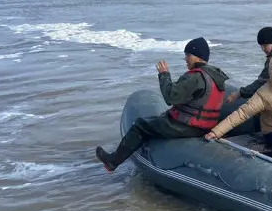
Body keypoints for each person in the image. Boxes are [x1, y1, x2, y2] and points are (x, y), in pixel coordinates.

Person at [95, 37, 228, 172]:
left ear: (197, 56)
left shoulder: (195, 77)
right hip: (206, 127)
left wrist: (164, 74)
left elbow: (170, 97)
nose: (185, 59)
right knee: (160, 118)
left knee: (140, 125)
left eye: (188, 55)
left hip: (188, 127)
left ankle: (113, 162)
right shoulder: (215, 77)